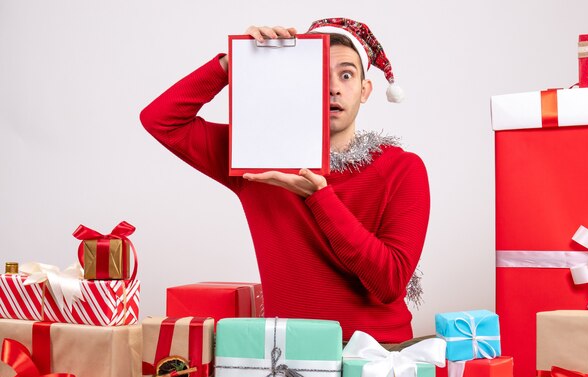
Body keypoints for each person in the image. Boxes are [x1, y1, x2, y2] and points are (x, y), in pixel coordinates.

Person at [140, 18, 430, 343]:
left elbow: (390, 282)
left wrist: (320, 198)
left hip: (379, 355)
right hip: (289, 357)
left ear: (365, 90)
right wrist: (230, 64)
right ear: (296, 83)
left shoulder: (401, 168)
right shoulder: (258, 159)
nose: (333, 87)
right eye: (318, 74)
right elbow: (161, 121)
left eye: (346, 74)